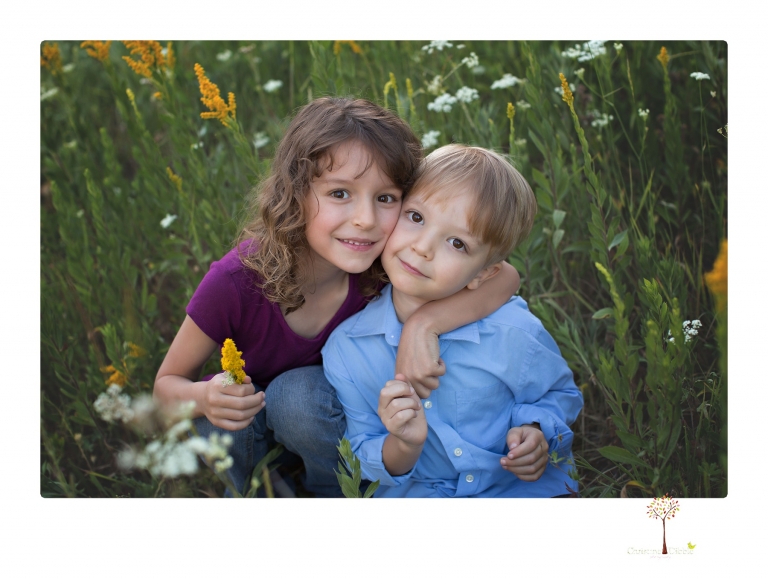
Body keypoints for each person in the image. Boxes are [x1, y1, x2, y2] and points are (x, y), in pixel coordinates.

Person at [153, 98, 521, 497]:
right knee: (214, 418)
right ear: (295, 192)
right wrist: (203, 398)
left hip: (334, 432)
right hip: (253, 429)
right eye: (340, 193)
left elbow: (505, 277)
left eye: (386, 198)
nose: (365, 219)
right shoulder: (234, 282)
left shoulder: (381, 261)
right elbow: (164, 389)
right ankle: (259, 493)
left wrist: (423, 325)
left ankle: (338, 494)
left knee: (296, 396)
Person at [322, 144, 584, 497]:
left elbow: (559, 393)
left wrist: (536, 430)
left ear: (484, 273)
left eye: (457, 243)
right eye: (416, 217)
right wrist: (404, 444)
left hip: (512, 490)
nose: (422, 247)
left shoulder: (513, 332)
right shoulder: (348, 350)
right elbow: (362, 452)